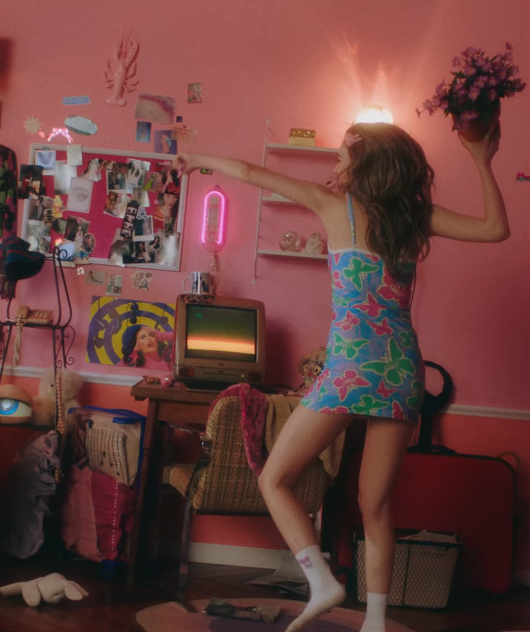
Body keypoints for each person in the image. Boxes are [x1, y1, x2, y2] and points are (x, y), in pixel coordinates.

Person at [176, 121, 508, 632]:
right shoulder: (414, 218)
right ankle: (375, 622)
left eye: (342, 158)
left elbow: (249, 172)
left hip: (352, 368)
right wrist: (483, 160)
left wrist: (199, 157)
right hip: (402, 368)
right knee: (374, 505)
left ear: (366, 166)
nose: (335, 167)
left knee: (274, 478)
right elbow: (494, 228)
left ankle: (323, 582)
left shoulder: (335, 207)